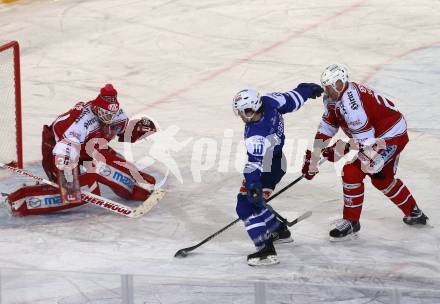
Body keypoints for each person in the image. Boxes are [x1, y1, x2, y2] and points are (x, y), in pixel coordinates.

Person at [302, 64, 428, 241]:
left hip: (390, 136)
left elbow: (365, 142)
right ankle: (414, 212)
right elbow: (327, 126)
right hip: (378, 135)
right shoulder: (332, 98)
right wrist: (315, 157)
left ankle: (352, 222)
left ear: (342, 82)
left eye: (333, 85)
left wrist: (339, 149)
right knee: (381, 180)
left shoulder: (351, 104)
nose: (329, 90)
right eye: (327, 87)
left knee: (353, 171)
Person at [6, 84, 158, 216]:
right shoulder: (81, 122)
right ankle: (22, 201)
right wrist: (68, 178)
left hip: (88, 148)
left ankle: (139, 188)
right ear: (97, 109)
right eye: (106, 115)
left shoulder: (115, 115)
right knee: (75, 193)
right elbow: (66, 148)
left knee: (107, 165)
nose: (110, 118)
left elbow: (122, 130)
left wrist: (137, 130)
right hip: (57, 148)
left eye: (113, 114)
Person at [233, 83, 324, 266]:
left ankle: (265, 251)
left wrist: (253, 184)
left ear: (256, 106)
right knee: (255, 201)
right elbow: (291, 99)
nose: (244, 116)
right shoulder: (269, 101)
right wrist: (306, 90)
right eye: (241, 112)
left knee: (245, 206)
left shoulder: (256, 135)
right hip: (276, 162)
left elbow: (254, 164)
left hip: (267, 165)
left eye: (247, 111)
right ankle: (278, 230)